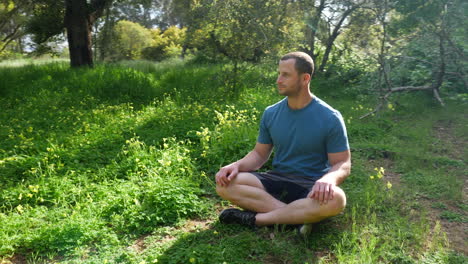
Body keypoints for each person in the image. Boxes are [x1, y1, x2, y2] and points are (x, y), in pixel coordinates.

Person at [215, 52, 351, 234]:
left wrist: (328, 179)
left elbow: (342, 163)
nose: (279, 80)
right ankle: (297, 218)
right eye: (279, 74)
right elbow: (259, 155)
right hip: (276, 179)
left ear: (305, 78)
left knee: (337, 199)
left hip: (311, 186)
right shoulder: (271, 113)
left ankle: (257, 219)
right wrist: (236, 165)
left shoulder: (330, 117)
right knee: (225, 183)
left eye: (285, 75)